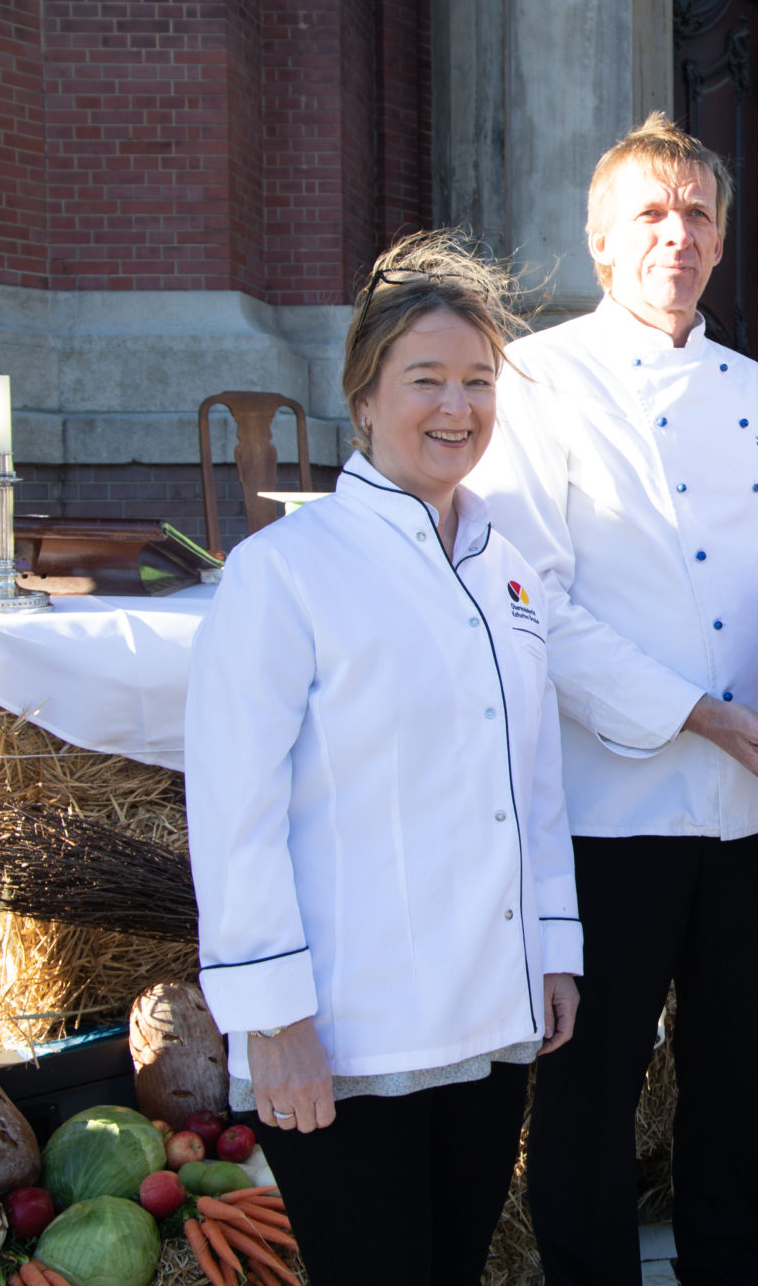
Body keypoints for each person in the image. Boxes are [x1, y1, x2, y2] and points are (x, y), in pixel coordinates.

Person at [186, 232, 581, 1284]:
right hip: (345, 1044)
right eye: (426, 381)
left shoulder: (508, 574)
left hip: (486, 1026)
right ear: (362, 398)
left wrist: (552, 948)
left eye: (478, 382)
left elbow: (533, 787)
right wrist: (271, 1024)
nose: (457, 408)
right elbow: (234, 815)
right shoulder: (284, 573)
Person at [463, 113, 758, 1286]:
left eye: (697, 214)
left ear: (718, 242)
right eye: (650, 215)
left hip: (751, 807)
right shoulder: (537, 379)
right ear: (601, 243)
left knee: (735, 1084)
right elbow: (534, 605)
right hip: (612, 808)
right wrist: (700, 714)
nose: (678, 235)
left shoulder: (757, 389)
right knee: (588, 1089)